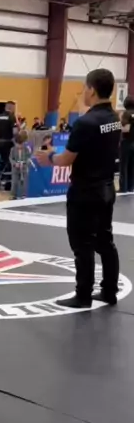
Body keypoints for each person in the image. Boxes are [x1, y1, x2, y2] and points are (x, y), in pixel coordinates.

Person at [36, 68, 121, 308]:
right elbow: (93, 127)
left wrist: (49, 157)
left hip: (85, 191)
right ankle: (109, 291)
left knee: (82, 245)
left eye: (85, 87)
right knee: (105, 241)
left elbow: (66, 159)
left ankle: (83, 295)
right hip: (106, 188)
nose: (83, 91)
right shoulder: (114, 119)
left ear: (91, 90)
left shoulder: (85, 123)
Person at [10, 131, 31, 200]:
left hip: (24, 167)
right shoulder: (13, 149)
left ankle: (23, 195)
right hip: (15, 168)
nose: (19, 146)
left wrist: (26, 162)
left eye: (21, 144)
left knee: (24, 182)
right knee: (14, 182)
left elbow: (29, 157)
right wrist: (14, 163)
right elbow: (11, 158)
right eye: (18, 144)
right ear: (15, 143)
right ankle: (13, 195)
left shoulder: (26, 149)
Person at [120, 97, 134, 193]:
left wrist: (118, 126)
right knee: (132, 166)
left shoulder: (126, 113)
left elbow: (126, 129)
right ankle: (131, 187)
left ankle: (123, 188)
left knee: (123, 166)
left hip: (126, 142)